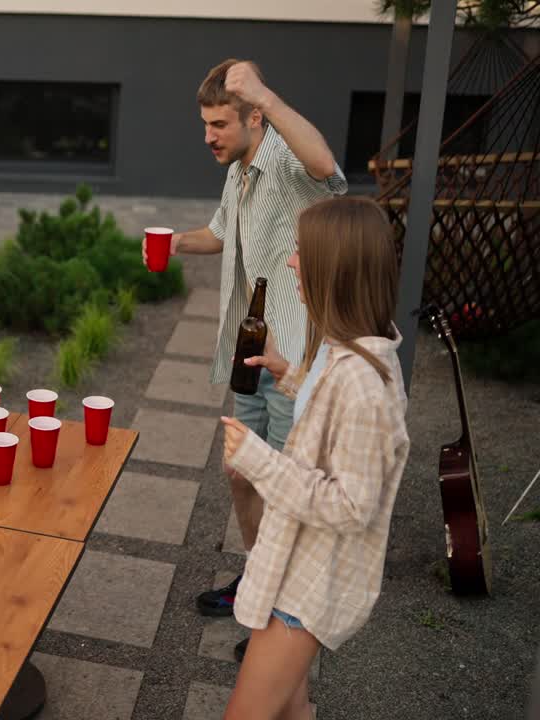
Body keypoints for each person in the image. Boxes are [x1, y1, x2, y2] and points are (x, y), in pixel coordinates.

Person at [144, 58, 347, 659]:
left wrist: (265, 94)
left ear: (253, 118)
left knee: (285, 483)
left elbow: (327, 166)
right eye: (205, 124)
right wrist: (175, 242)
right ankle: (258, 578)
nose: (208, 136)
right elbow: (220, 233)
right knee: (241, 472)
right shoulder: (238, 171)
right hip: (249, 348)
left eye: (219, 125)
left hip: (289, 358)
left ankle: (281, 614)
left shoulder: (284, 158)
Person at [218, 196, 410, 719]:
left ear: (335, 270)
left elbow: (353, 505)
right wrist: (288, 375)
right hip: (296, 565)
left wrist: (258, 459)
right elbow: (335, 421)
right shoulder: (345, 351)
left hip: (308, 586)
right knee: (291, 711)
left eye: (302, 252)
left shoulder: (364, 383)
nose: (291, 261)